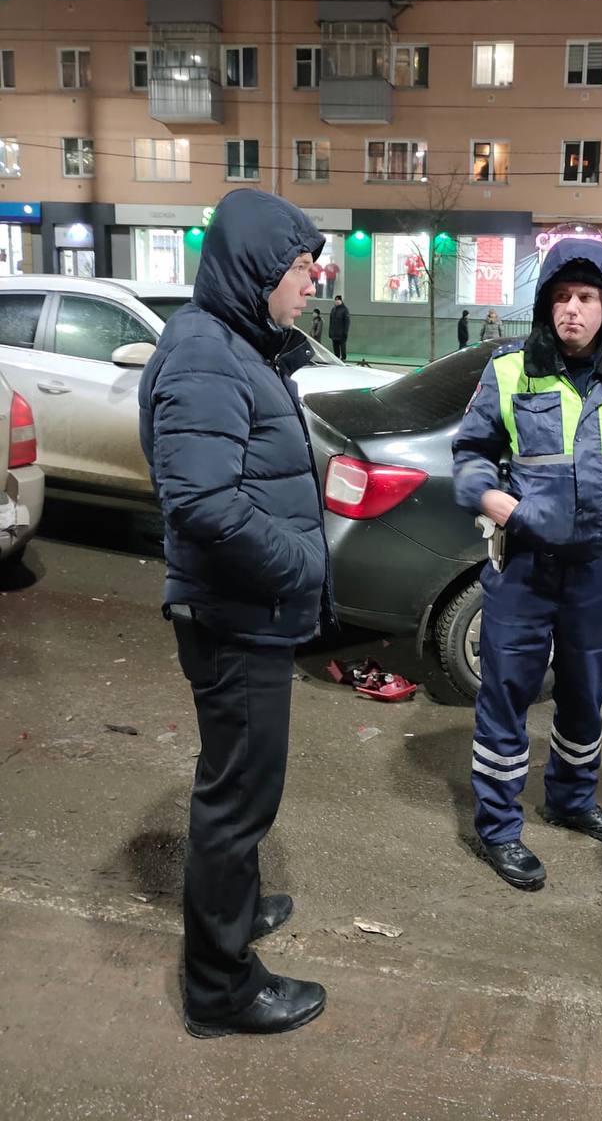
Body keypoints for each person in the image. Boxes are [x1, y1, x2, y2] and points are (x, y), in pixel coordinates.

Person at [139, 188, 333, 1039]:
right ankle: (220, 990)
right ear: (258, 270)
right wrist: (301, 565)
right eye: (301, 268)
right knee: (237, 800)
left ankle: (240, 908)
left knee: (242, 783)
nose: (312, 284)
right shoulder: (205, 354)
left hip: (247, 609)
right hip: (235, 615)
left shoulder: (233, 343)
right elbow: (202, 501)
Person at [452, 236, 602, 890]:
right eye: (561, 296)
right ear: (545, 305)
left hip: (598, 570)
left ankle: (570, 798)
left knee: (586, 692)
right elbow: (470, 453)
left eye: (586, 297)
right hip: (523, 567)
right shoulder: (512, 370)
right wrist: (494, 500)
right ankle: (498, 828)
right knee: (507, 694)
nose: (572, 309)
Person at [328, 294, 350, 360]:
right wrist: (330, 332)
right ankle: (337, 359)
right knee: (335, 348)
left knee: (342, 347)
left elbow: (347, 322)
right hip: (334, 333)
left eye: (338, 300)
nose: (337, 301)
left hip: (342, 334)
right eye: (336, 300)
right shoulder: (333, 310)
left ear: (341, 301)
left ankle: (343, 359)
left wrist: (345, 332)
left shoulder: (345, 310)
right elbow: (331, 321)